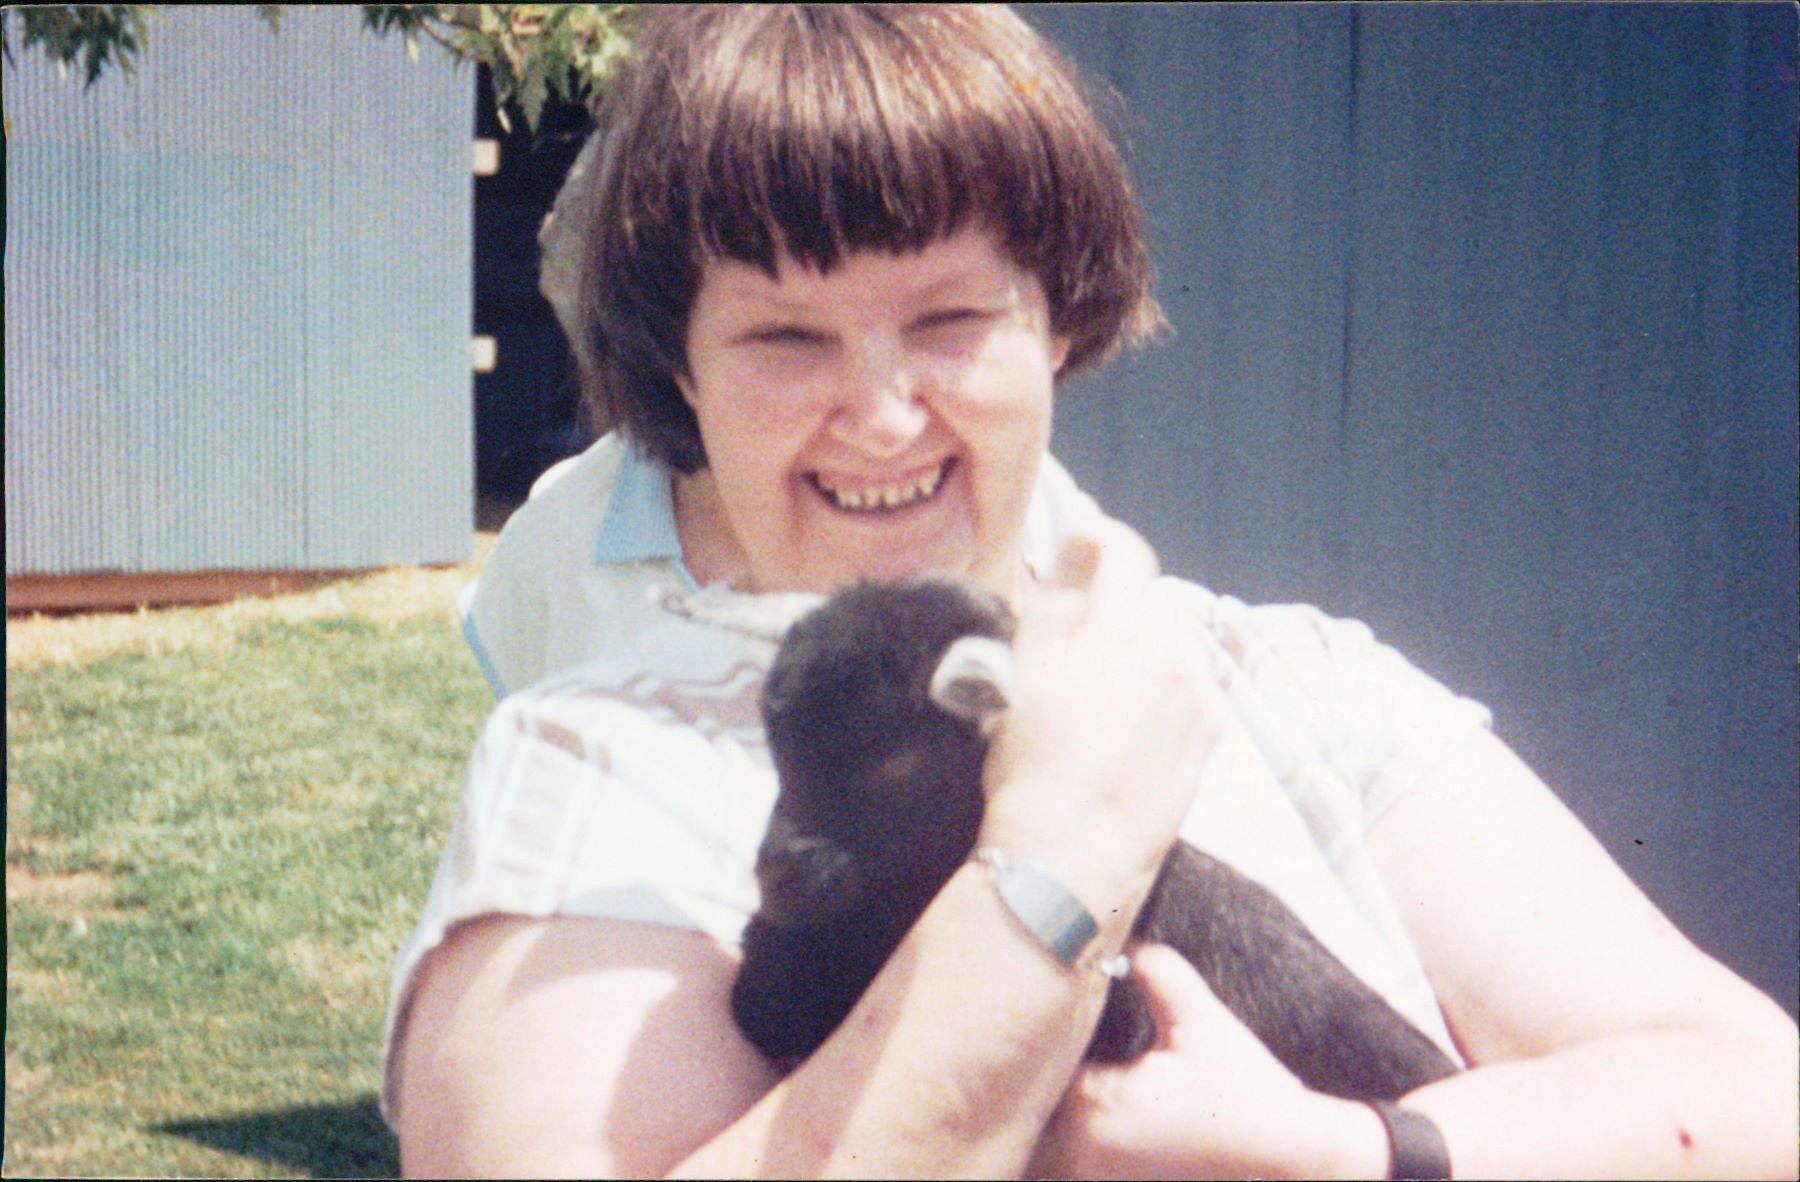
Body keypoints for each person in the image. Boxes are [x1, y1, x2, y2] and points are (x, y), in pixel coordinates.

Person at [383, 6, 1798, 1178]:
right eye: (784, 337)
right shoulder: (595, 776)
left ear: (1058, 319)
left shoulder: (1288, 684)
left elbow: (1755, 1095)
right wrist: (1059, 867)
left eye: (950, 317)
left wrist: (1351, 1151)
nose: (880, 413)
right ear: (679, 369)